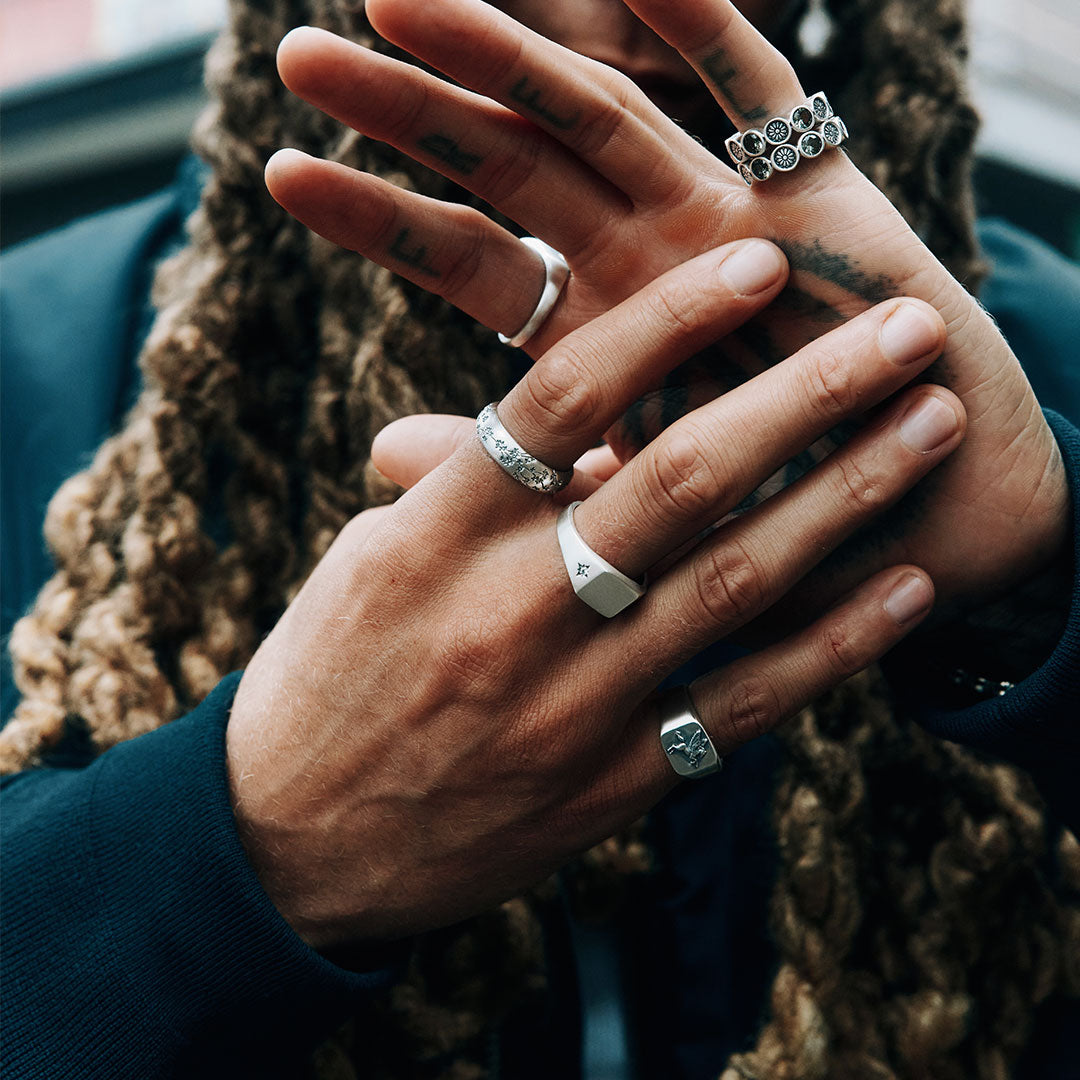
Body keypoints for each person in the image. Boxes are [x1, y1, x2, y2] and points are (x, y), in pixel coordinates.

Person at [2, 0, 1078, 1077]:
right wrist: (254, 845)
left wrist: (1041, 594)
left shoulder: (1044, 353)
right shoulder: (30, 356)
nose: (628, 19)